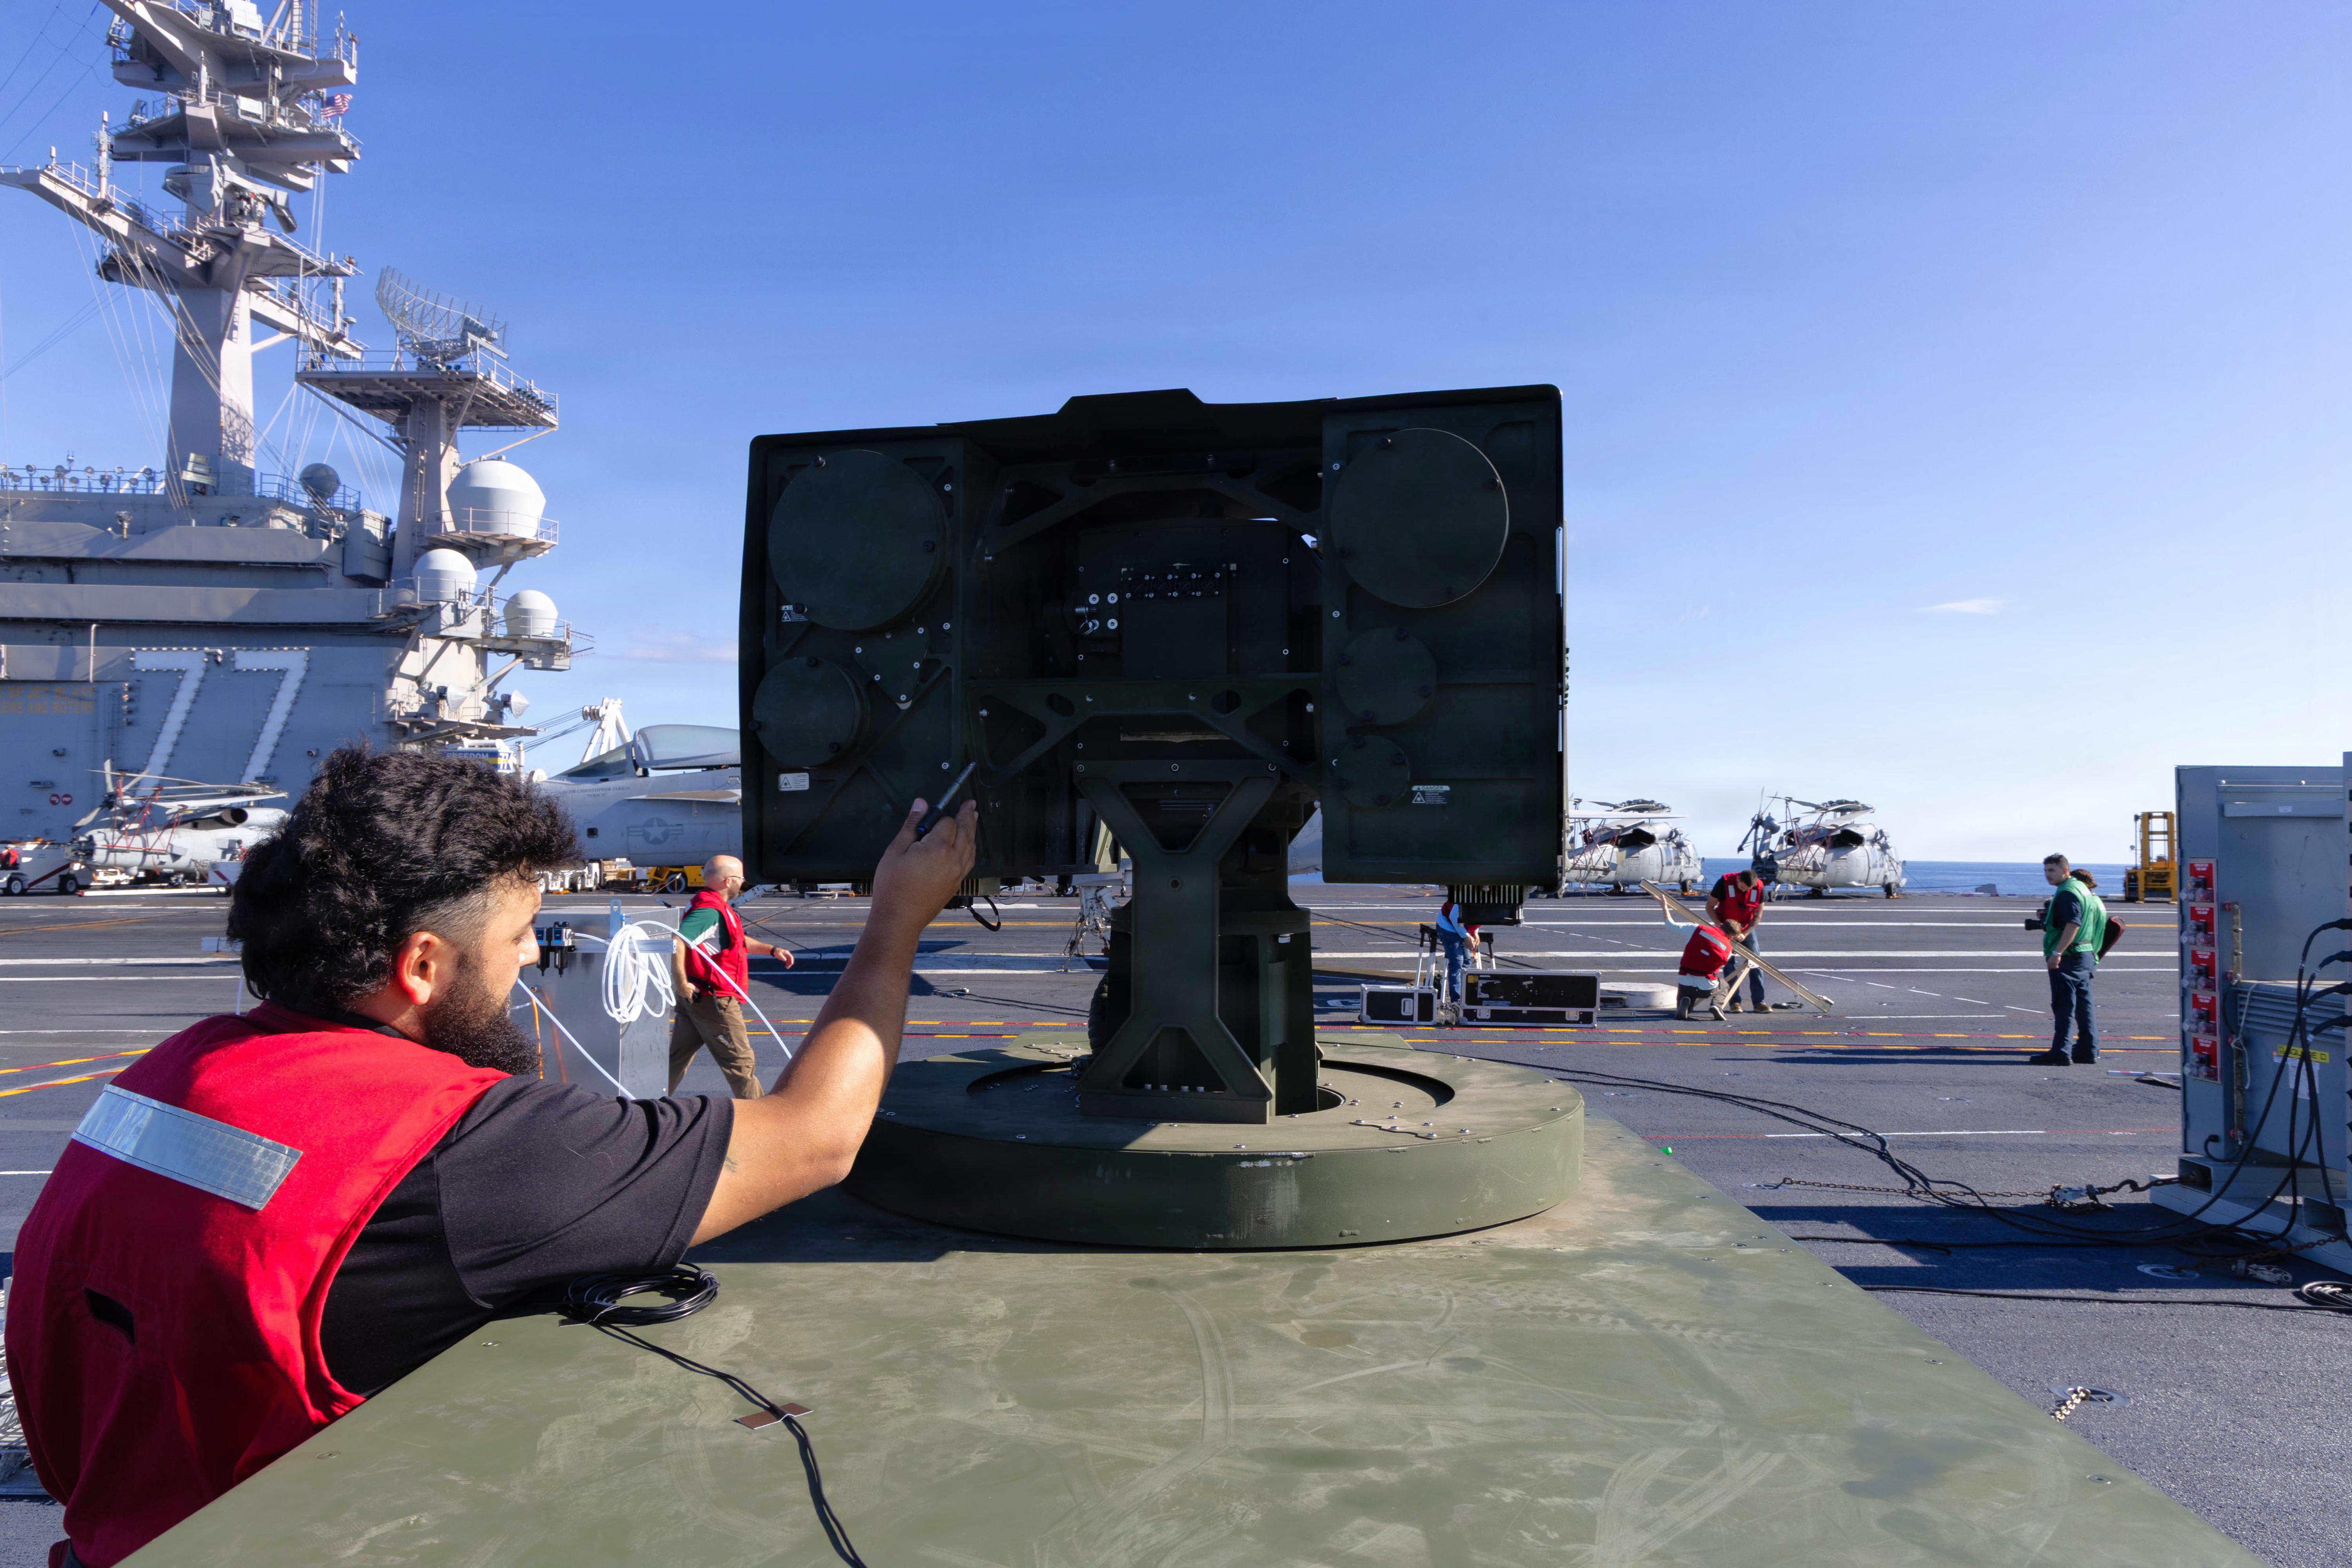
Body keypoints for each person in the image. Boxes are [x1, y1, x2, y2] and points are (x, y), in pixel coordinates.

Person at [2, 747, 975, 1568]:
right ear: (422, 964)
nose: (524, 965)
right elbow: (813, 1137)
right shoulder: (451, 1146)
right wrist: (897, 919)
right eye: (517, 936)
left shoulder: (160, 1077)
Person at [668, 852, 795, 1098]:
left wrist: (771, 950)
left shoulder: (713, 907)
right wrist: (681, 982)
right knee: (741, 1065)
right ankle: (761, 1121)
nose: (743, 882)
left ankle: (644, 1105)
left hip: (697, 999)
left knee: (675, 1061)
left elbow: (737, 941)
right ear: (728, 881)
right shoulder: (709, 911)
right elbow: (679, 940)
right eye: (741, 878)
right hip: (715, 1001)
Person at [2031, 853, 2107, 1065]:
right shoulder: (2084, 890)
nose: (2048, 875)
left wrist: (2057, 953)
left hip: (2069, 956)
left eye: (2052, 870)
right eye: (2046, 871)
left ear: (2066, 870)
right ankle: (2088, 1050)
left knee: (2064, 1005)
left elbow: (2073, 924)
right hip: (2085, 954)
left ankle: (2061, 1052)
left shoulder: (2067, 892)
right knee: (2084, 1005)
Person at [1705, 868, 1769, 1012]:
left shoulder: (1760, 887)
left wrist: (1745, 933)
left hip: (1745, 928)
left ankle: (1760, 1002)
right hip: (1726, 929)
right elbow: (1709, 906)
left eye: (1748, 889)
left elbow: (1758, 915)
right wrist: (1718, 925)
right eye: (1741, 888)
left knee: (1756, 963)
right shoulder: (1725, 883)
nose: (1744, 891)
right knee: (1729, 965)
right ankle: (1735, 1002)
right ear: (1738, 880)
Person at [1433, 896, 1480, 1007]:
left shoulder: (1485, 903)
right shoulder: (1460, 899)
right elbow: (1454, 918)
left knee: (1466, 963)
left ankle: (1465, 996)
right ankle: (1457, 1000)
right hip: (1448, 927)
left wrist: (1475, 932)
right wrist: (1466, 936)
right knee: (1457, 962)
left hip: (1461, 926)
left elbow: (1480, 918)